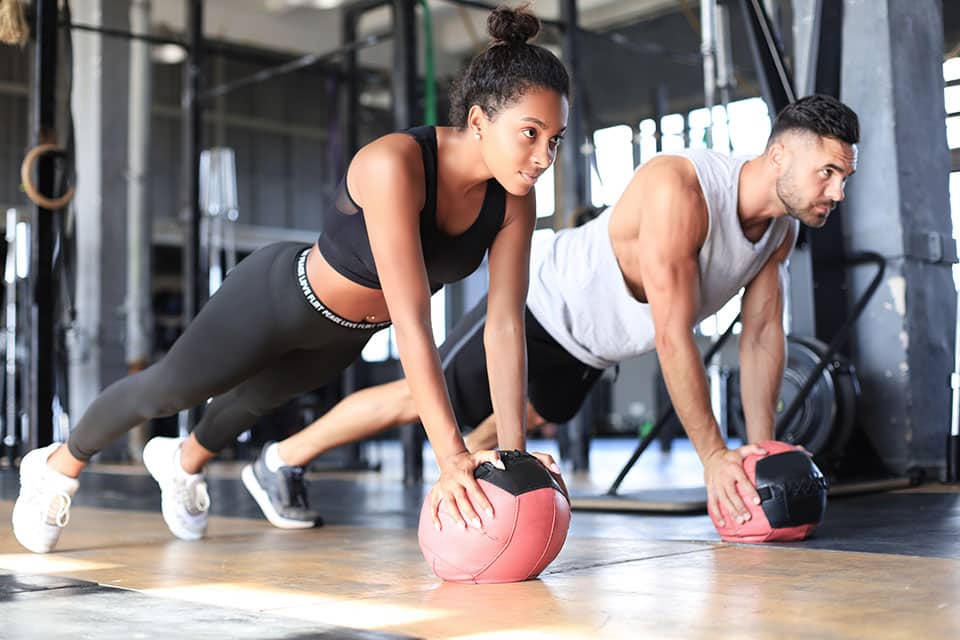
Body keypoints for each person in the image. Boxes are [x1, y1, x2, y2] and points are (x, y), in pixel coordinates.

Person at [12, 5, 570, 554]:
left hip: (346, 332)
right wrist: (450, 459)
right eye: (530, 132)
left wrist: (514, 457)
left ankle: (180, 463)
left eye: (555, 139)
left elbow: (503, 326)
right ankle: (56, 468)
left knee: (256, 402)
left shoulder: (513, 200)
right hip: (279, 296)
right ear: (478, 120)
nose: (544, 156)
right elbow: (413, 319)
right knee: (170, 390)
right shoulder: (394, 164)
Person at [242, 95, 859, 532]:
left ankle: (469, 516)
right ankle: (281, 460)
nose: (836, 192)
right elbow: (674, 335)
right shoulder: (684, 189)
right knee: (416, 399)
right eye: (826, 172)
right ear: (778, 156)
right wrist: (713, 459)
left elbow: (760, 339)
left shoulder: (780, 233)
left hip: (594, 350)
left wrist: (755, 450)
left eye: (844, 177)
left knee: (501, 447)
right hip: (540, 307)